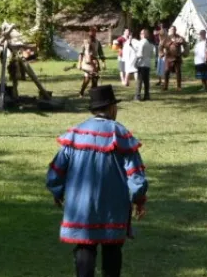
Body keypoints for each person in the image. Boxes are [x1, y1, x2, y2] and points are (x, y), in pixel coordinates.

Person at [46, 85, 148, 277]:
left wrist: (57, 190)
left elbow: (57, 168)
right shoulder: (120, 134)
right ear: (111, 108)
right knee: (112, 251)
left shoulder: (77, 133)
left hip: (81, 205)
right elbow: (135, 174)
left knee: (85, 247)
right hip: (113, 207)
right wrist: (139, 199)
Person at [127, 29, 156, 102]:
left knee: (139, 81)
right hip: (148, 63)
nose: (140, 35)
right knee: (146, 81)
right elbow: (151, 54)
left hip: (141, 63)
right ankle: (147, 95)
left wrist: (135, 57)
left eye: (141, 33)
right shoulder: (150, 44)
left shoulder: (141, 42)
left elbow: (139, 54)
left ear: (144, 34)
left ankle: (137, 96)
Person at [78, 28, 105, 97]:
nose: (93, 33)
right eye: (92, 32)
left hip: (95, 62)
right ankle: (81, 91)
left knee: (95, 78)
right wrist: (79, 63)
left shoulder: (97, 42)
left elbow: (101, 53)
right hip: (87, 62)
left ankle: (94, 94)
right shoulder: (85, 42)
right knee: (87, 78)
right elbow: (81, 53)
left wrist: (103, 62)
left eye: (94, 32)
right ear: (89, 32)